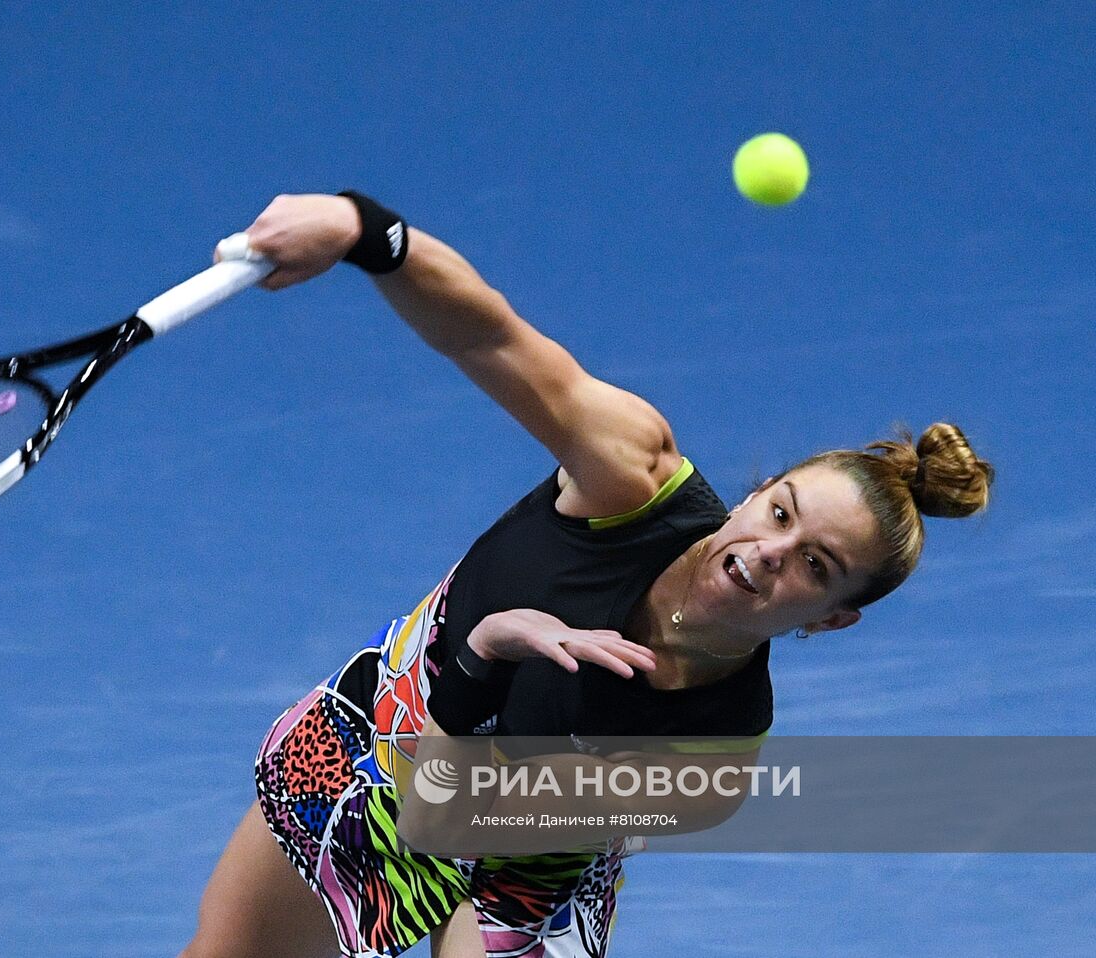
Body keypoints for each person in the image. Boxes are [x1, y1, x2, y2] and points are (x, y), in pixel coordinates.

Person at [180, 193, 994, 958]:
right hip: (385, 737)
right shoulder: (631, 477)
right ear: (754, 494)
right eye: (781, 512)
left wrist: (485, 655)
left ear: (829, 618)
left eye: (816, 566)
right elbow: (487, 337)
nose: (772, 552)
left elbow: (450, 817)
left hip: (520, 862)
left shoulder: (710, 761)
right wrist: (363, 229)